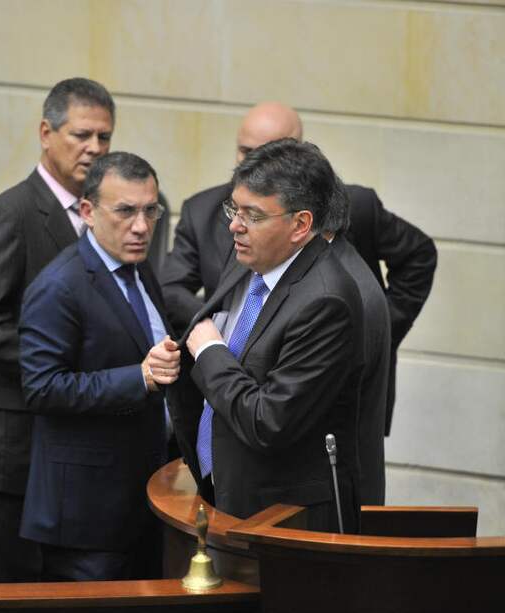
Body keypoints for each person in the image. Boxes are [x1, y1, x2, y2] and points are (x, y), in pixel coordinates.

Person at [161, 101, 437, 435]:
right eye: (245, 150)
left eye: (255, 216)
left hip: (305, 428)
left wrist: (373, 332)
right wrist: (211, 334)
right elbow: (174, 289)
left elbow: (419, 256)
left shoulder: (345, 230)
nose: (254, 164)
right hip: (231, 427)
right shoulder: (211, 217)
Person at [0, 77, 120, 580]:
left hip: (78, 442)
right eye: (81, 135)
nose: (94, 148)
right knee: (7, 585)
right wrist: (55, 361)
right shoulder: (10, 212)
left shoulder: (106, 217)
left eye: (104, 138)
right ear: (46, 133)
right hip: (17, 442)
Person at [168, 139, 364, 533]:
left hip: (281, 519)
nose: (234, 226)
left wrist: (208, 351)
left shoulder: (327, 301)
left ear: (300, 225)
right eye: (234, 209)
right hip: (221, 488)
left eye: (252, 215)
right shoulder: (250, 258)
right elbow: (231, 342)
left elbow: (268, 421)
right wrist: (177, 360)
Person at [18, 152, 179, 580]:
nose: (142, 226)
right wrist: (139, 377)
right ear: (88, 212)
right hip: (86, 519)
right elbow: (42, 387)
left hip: (142, 502)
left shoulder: (139, 270)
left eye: (151, 211)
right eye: (126, 211)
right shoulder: (59, 286)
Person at [321, 189, 391, 505]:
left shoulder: (339, 295)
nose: (239, 226)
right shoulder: (338, 268)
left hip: (335, 503)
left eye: (259, 215)